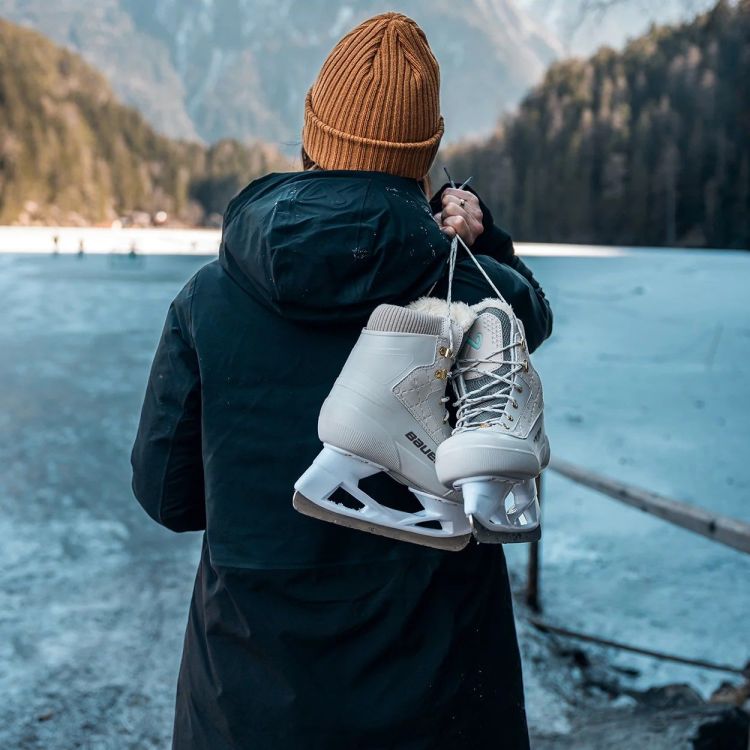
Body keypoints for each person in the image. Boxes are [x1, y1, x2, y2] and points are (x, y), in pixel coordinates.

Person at [131, 12, 552, 750]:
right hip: (445, 704)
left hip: (248, 705)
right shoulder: (474, 293)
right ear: (426, 152)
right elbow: (532, 315)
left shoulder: (209, 297)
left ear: (312, 130)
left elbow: (168, 497)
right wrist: (486, 240)